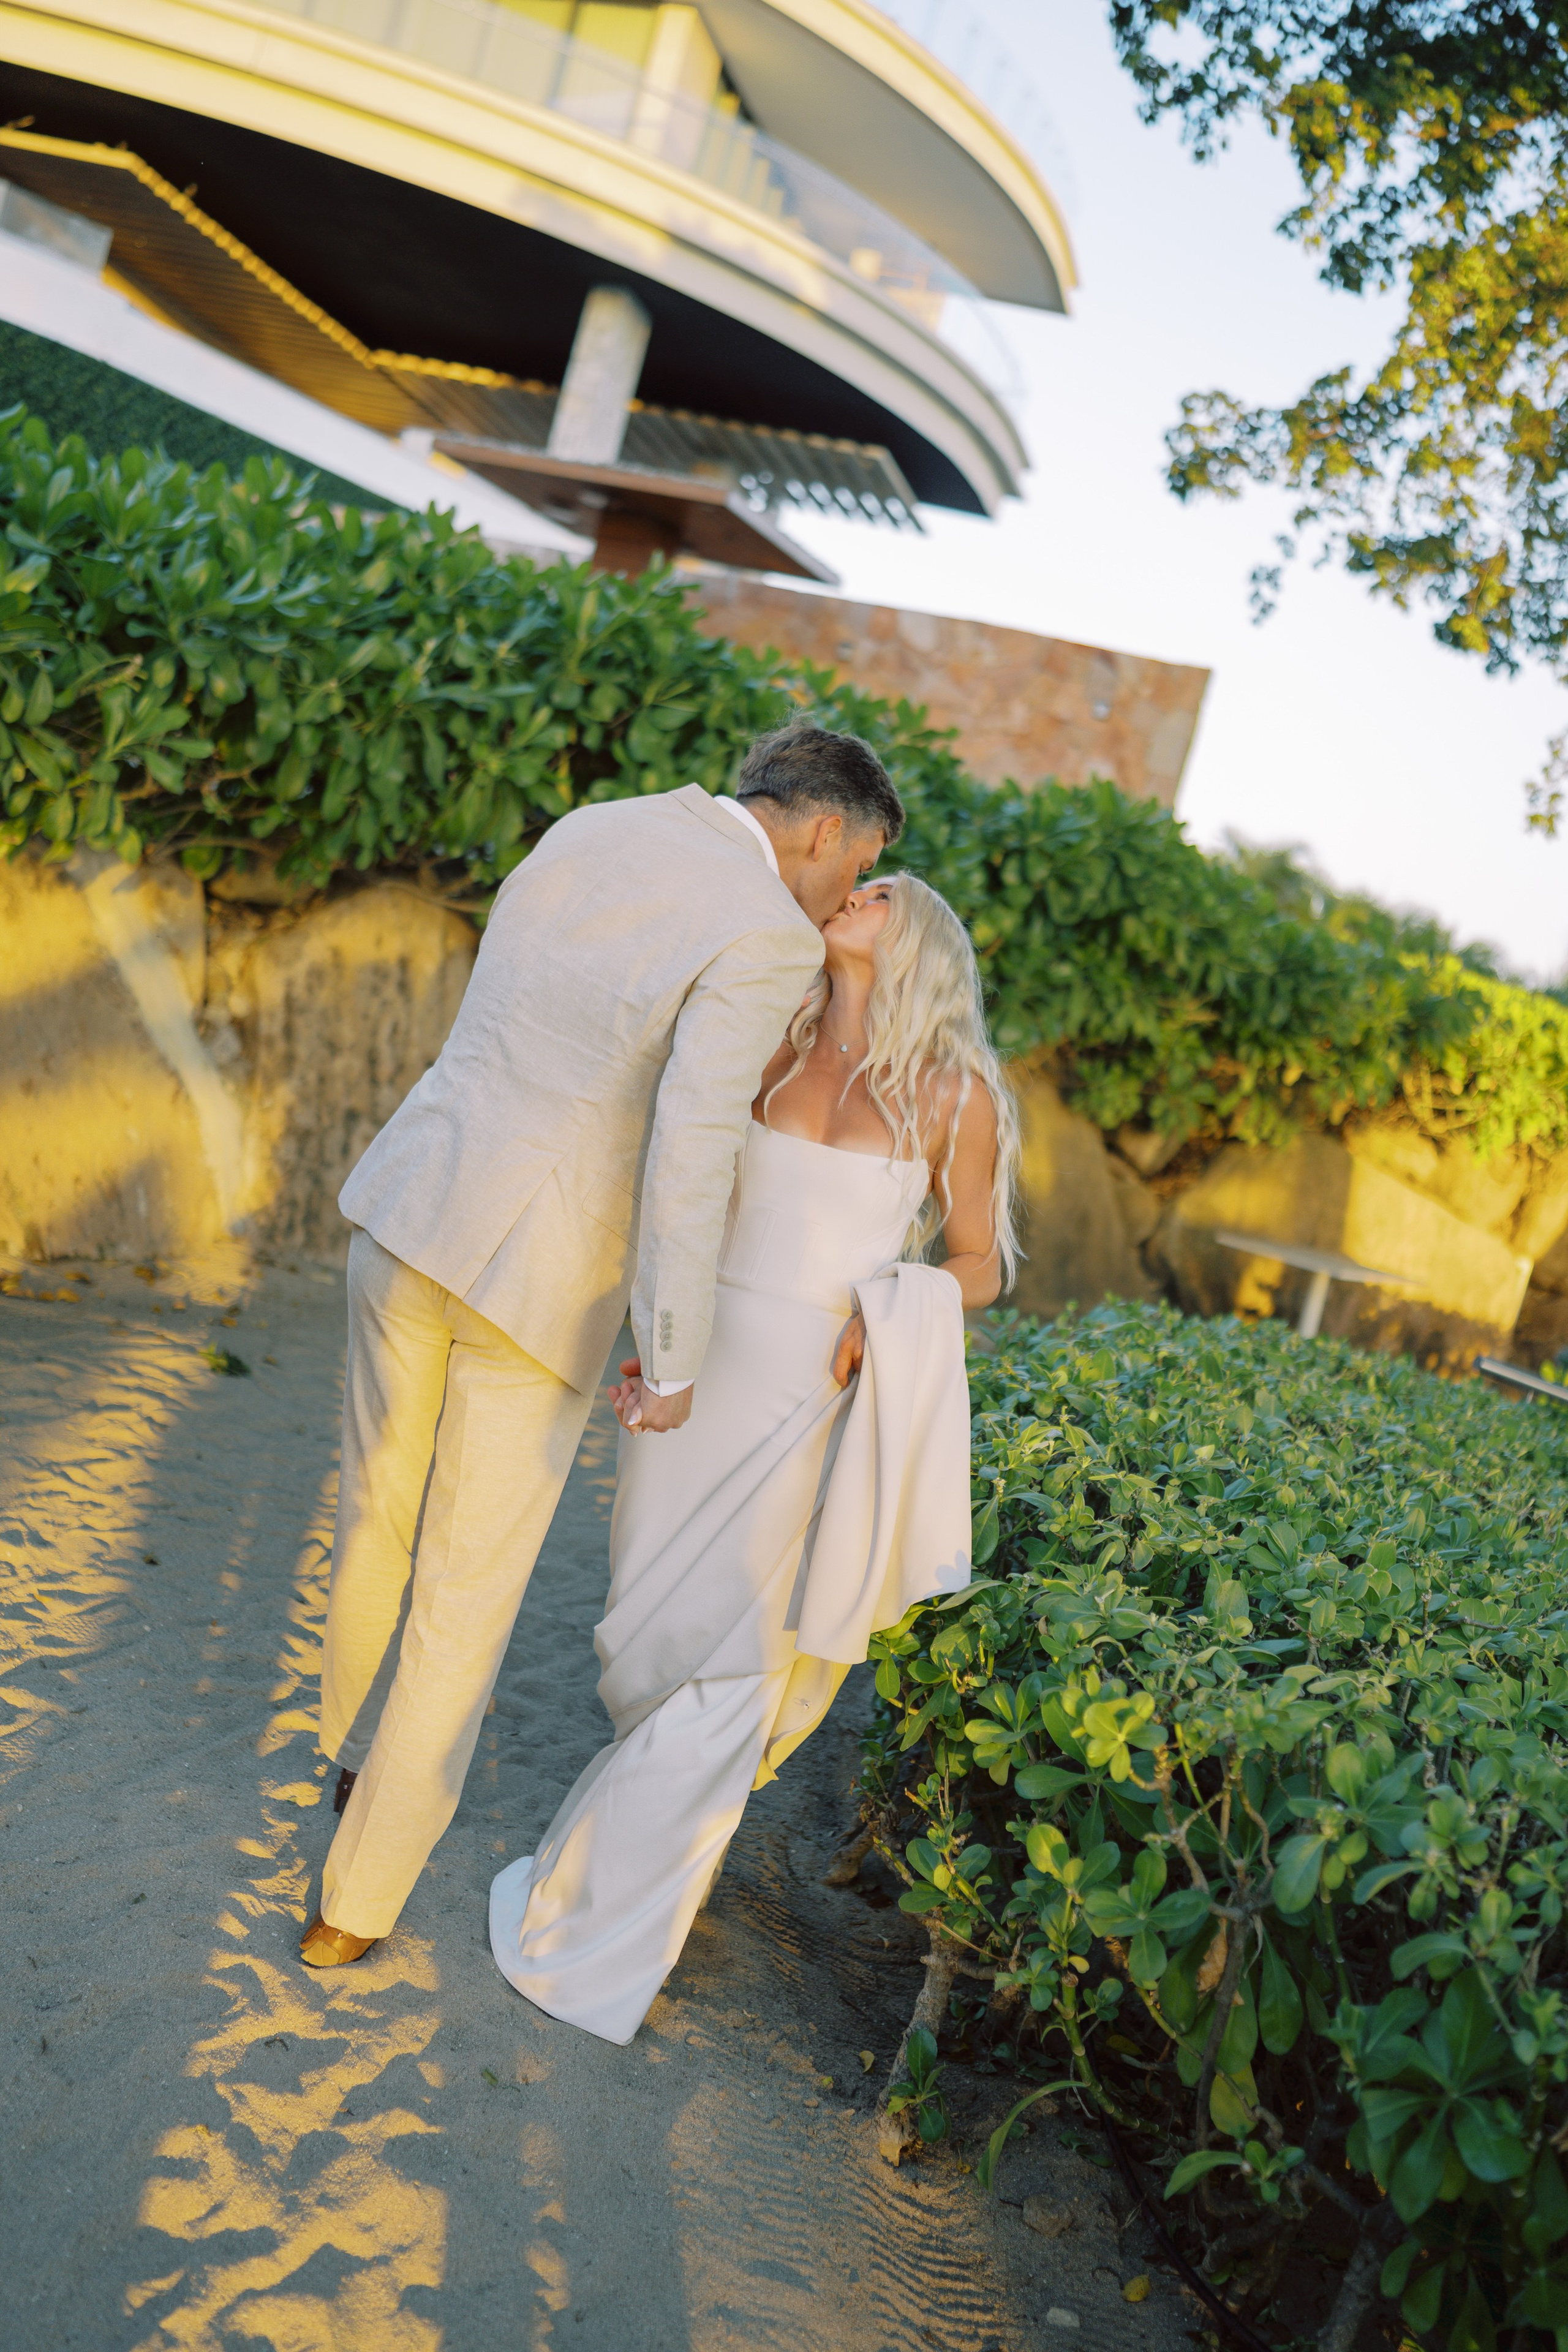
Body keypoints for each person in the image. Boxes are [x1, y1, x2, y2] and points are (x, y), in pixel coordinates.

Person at [300, 721, 902, 1967]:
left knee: (374, 1519)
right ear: (824, 827)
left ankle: (353, 1762)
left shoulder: (593, 826)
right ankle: (353, 1903)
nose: (847, 894)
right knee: (464, 1598)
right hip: (540, 1276)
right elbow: (690, 1149)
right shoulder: (766, 930)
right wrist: (671, 1358)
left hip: (413, 1203)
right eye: (859, 865)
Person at [488, 869, 1019, 2041]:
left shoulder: (956, 1092)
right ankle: (629, 1845)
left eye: (878, 889)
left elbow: (980, 1262)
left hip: (811, 1393)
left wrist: (891, 1307)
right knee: (646, 1626)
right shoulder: (768, 1042)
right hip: (702, 1364)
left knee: (741, 1652)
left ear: (921, 937)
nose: (851, 892)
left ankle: (592, 1933)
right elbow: (687, 1196)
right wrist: (655, 1344)